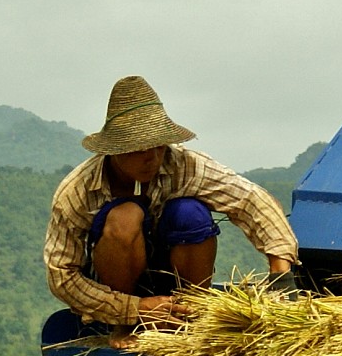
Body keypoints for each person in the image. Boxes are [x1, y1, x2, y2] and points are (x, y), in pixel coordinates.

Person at [43, 74, 299, 330]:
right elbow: (61, 276)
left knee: (190, 213)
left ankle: (189, 311)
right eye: (140, 150)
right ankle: (124, 326)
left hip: (175, 276)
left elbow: (250, 200)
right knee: (126, 216)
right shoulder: (78, 190)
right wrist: (134, 309)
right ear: (115, 150)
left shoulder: (183, 165)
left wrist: (280, 272)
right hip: (116, 290)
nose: (152, 158)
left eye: (159, 147)